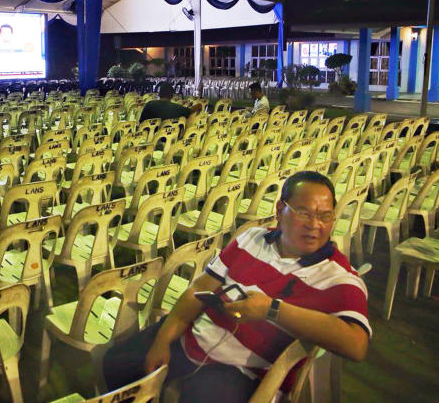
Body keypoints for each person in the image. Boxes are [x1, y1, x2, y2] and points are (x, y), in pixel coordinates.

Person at [103, 171, 370, 402]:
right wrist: (162, 340)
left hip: (240, 371)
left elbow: (356, 345)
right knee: (116, 362)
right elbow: (199, 289)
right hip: (193, 336)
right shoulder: (252, 238)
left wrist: (272, 309)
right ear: (280, 210)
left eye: (325, 215)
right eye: (304, 213)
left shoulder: (338, 277)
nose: (315, 225)